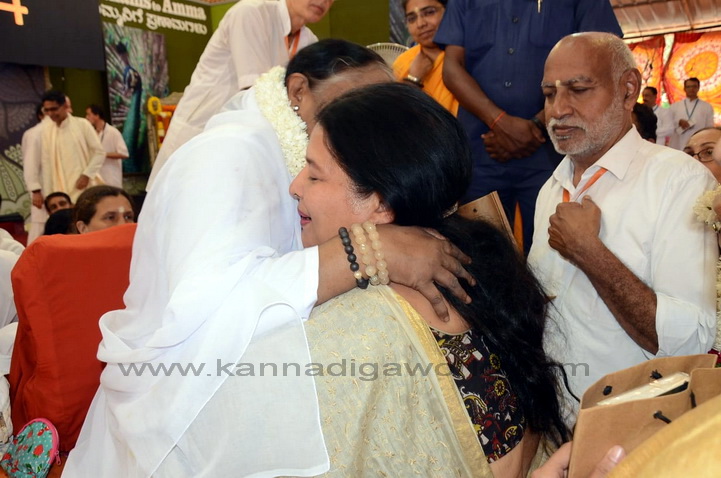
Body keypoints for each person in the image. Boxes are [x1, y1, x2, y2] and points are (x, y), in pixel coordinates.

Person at [66, 40, 473, 477]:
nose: (378, 115)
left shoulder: (305, 152)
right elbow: (201, 311)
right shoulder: (224, 155)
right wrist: (371, 250)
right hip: (178, 411)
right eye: (362, 96)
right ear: (298, 92)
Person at [280, 83, 569, 476]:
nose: (295, 186)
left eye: (314, 176)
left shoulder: (352, 328)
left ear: (380, 203)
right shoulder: (477, 263)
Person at [528, 32, 716, 421]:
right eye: (548, 94)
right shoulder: (550, 189)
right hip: (555, 423)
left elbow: (692, 343)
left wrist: (590, 253)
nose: (558, 110)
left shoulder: (679, 180)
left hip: (636, 429)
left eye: (578, 89)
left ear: (628, 90)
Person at [434, 0, 622, 254]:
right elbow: (451, 69)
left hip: (557, 152)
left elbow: (599, 62)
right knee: (483, 255)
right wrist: (501, 123)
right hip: (482, 149)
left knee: (555, 253)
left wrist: (536, 125)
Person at [147, 0, 333, 189]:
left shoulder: (308, 40)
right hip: (202, 132)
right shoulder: (251, 13)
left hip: (242, 147)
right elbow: (257, 94)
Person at [38, 90, 105, 203]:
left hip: (84, 185)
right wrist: (49, 195)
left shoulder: (82, 124)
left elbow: (99, 152)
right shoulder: (47, 132)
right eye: (47, 110)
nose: (50, 114)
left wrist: (87, 175)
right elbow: (46, 164)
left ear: (65, 106)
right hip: (61, 188)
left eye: (54, 109)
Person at [392, 0, 458, 115]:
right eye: (412, 19)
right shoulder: (403, 62)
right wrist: (413, 79)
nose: (420, 24)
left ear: (449, 12)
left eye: (429, 12)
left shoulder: (468, 56)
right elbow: (396, 114)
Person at [21, 103, 49, 244]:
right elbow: (30, 163)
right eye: (48, 110)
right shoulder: (35, 133)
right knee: (40, 227)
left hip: (58, 187)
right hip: (42, 189)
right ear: (41, 115)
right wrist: (35, 190)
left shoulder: (58, 131)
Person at [85, 104, 129, 188]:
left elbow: (124, 154)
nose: (86, 117)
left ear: (97, 115)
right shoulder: (92, 133)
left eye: (89, 114)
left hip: (111, 179)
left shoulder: (113, 132)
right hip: (97, 179)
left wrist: (103, 154)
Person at [669, 77, 715, 150]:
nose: (691, 89)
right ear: (684, 89)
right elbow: (667, 124)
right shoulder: (675, 106)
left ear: (698, 88)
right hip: (678, 142)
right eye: (688, 87)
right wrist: (678, 122)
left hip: (698, 142)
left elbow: (709, 127)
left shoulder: (706, 106)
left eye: (694, 86)